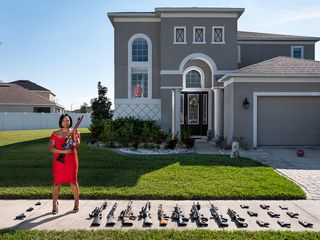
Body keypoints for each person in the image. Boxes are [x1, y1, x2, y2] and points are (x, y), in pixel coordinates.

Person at [48, 114, 81, 214]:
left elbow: (77, 144)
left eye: (67, 120)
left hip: (71, 160)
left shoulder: (75, 132)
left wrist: (74, 136)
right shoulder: (55, 134)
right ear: (60, 122)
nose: (66, 122)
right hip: (59, 161)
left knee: (73, 182)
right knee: (56, 182)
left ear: (70, 121)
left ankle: (76, 203)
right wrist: (63, 152)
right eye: (63, 121)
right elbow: (50, 148)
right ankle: (54, 203)